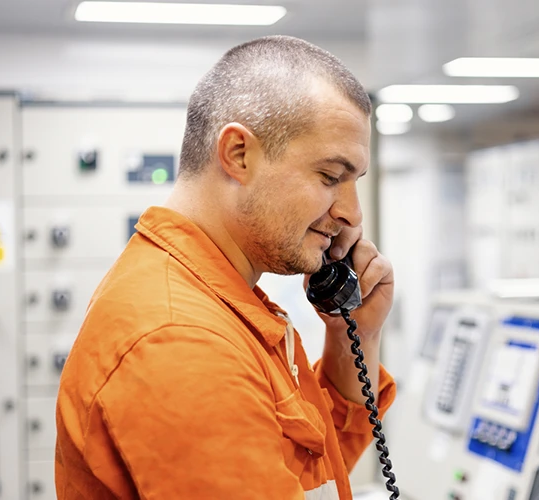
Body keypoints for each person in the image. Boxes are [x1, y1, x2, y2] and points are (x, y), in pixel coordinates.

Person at [54, 35, 397, 500]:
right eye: (330, 177)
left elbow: (309, 474)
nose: (352, 214)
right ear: (238, 154)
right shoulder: (182, 340)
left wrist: (354, 335)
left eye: (354, 181)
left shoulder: (218, 299)